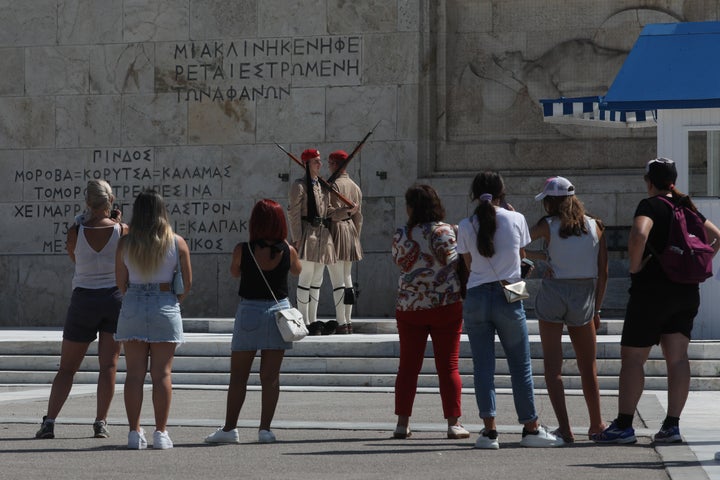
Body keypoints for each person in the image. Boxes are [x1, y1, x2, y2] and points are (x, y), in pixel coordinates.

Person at [593, 158, 720, 444]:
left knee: (633, 358)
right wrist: (700, 262)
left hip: (651, 291)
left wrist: (635, 266)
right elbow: (717, 237)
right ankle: (671, 426)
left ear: (649, 180)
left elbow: (639, 234)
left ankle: (624, 425)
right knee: (677, 359)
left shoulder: (650, 205)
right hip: (686, 292)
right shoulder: (686, 206)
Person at [457, 171, 563, 449]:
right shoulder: (516, 219)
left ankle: (489, 431)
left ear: (474, 195)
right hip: (511, 292)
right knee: (520, 364)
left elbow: (468, 265)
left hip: (477, 294)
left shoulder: (466, 225)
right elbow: (521, 256)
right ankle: (530, 426)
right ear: (502, 193)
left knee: (483, 366)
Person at [35, 180, 127, 439]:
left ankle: (50, 421)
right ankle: (100, 422)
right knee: (108, 366)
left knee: (67, 368)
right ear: (111, 200)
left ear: (87, 202)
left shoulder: (75, 231)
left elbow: (76, 258)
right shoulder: (123, 230)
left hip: (84, 299)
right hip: (114, 298)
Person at [205, 199, 302, 445]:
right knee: (270, 377)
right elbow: (297, 271)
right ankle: (265, 429)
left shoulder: (243, 249)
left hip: (249, 310)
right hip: (279, 312)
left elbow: (234, 272)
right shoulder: (287, 251)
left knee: (238, 377)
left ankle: (230, 428)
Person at [529, 176, 608, 443]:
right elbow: (603, 272)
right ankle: (596, 424)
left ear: (550, 203)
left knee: (553, 367)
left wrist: (544, 258)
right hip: (584, 295)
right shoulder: (595, 226)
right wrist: (597, 308)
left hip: (554, 292)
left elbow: (517, 245)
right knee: (588, 366)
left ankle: (565, 428)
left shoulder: (546, 225)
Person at [114, 189, 192, 450]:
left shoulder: (125, 243)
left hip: (134, 301)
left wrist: (136, 295)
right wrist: (168, 302)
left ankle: (134, 433)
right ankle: (161, 432)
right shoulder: (176, 242)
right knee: (162, 374)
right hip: (164, 302)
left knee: (134, 374)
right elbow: (186, 285)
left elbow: (120, 282)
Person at [391, 184, 469, 440]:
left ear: (411, 207)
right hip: (445, 304)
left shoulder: (402, 234)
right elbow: (454, 261)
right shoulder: (446, 231)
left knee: (408, 366)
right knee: (448, 366)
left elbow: (399, 262)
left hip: (410, 307)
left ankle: (403, 423)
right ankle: (453, 423)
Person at [288, 148, 337, 335]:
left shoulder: (321, 186)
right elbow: (293, 212)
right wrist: (297, 238)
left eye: (319, 160)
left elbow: (328, 210)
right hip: (308, 234)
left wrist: (348, 211)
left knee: (317, 280)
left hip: (323, 235)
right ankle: (303, 320)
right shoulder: (299, 186)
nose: (320, 163)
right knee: (306, 278)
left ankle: (313, 320)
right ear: (307, 164)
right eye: (316, 161)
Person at [326, 149, 363, 334]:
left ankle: (341, 322)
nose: (328, 166)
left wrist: (345, 212)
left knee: (337, 280)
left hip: (337, 230)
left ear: (336, 164)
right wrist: (356, 236)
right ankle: (348, 322)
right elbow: (359, 217)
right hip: (351, 231)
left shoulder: (333, 185)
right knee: (347, 278)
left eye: (330, 162)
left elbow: (330, 213)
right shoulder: (355, 186)